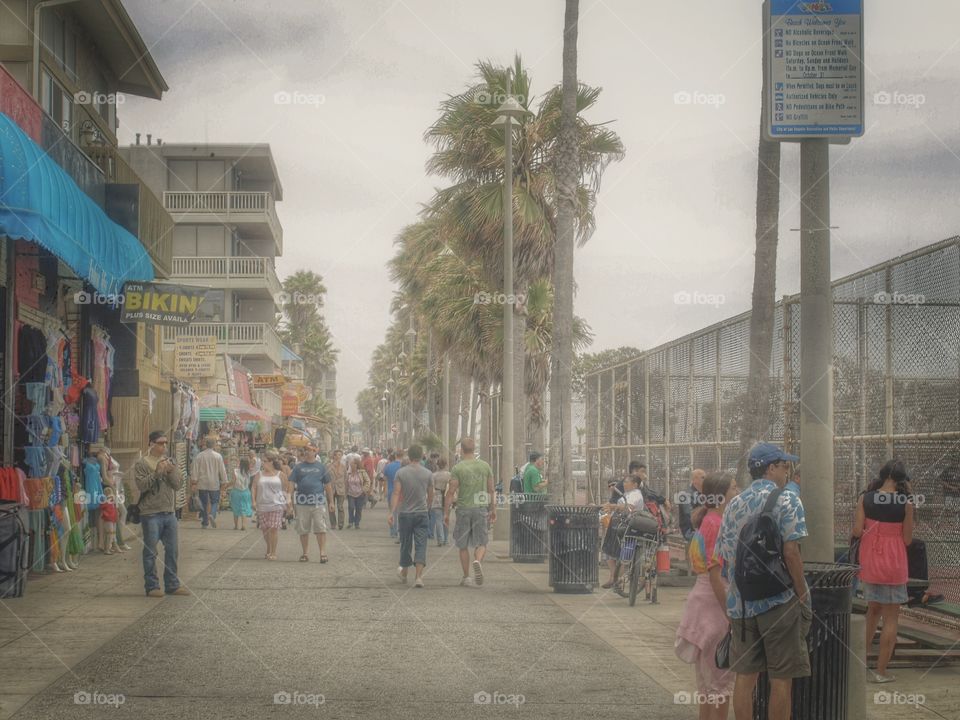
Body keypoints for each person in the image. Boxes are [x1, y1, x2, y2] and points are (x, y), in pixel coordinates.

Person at [716, 442, 811, 720]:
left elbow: (725, 555)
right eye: (784, 465)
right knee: (781, 678)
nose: (786, 471)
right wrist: (801, 591)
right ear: (771, 468)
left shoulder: (734, 503)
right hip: (778, 601)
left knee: (745, 677)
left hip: (741, 604)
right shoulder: (788, 499)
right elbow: (791, 552)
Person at [675, 472, 738, 720]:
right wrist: (730, 613)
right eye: (733, 488)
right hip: (715, 603)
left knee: (706, 683)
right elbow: (715, 573)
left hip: (702, 602)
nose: (737, 491)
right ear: (721, 496)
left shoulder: (707, 521)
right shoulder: (717, 524)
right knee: (721, 680)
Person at [853, 459, 914, 683]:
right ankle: (881, 672)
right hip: (894, 563)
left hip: (871, 562)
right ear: (900, 480)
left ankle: (860, 666)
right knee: (891, 618)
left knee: (872, 613)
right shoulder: (905, 503)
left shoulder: (865, 498)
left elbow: (857, 531)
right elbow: (907, 539)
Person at [135, 431, 189, 596]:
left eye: (165, 443)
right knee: (151, 551)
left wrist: (171, 471)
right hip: (150, 513)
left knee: (172, 550)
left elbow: (178, 485)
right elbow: (142, 486)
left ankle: (172, 584)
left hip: (169, 512)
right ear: (151, 443)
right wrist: (157, 472)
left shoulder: (170, 461)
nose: (164, 446)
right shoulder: (142, 463)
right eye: (160, 443)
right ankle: (152, 586)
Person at [444, 438, 496, 587]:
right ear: (474, 449)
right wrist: (493, 509)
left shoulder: (457, 468)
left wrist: (446, 513)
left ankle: (466, 576)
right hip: (481, 508)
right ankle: (477, 561)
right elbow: (491, 490)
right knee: (482, 542)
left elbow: (451, 492)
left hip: (463, 509)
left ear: (461, 450)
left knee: (463, 545)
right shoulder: (485, 466)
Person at [390, 444, 434, 587]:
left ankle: (404, 573)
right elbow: (431, 494)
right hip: (421, 512)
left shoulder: (401, 473)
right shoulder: (428, 473)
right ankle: (419, 577)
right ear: (421, 456)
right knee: (421, 545)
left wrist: (392, 512)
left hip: (405, 513)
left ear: (409, 457)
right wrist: (428, 507)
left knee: (406, 544)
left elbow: (396, 493)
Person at [600, 473, 645, 589]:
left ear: (634, 484)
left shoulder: (636, 494)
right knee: (609, 552)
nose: (624, 484)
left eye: (626, 482)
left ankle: (617, 578)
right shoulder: (626, 493)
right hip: (617, 523)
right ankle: (613, 577)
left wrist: (613, 506)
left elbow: (629, 507)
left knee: (620, 553)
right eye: (624, 482)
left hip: (626, 526)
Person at [289, 445, 332, 562]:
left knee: (321, 528)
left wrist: (331, 501)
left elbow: (328, 485)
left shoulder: (321, 467)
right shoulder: (298, 467)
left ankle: (322, 553)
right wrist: (289, 498)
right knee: (303, 529)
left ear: (315, 452)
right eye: (306, 450)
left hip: (318, 502)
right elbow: (292, 482)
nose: (307, 452)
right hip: (302, 502)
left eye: (310, 450)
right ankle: (305, 553)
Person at [251, 456, 290, 560]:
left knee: (273, 528)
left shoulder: (280, 474)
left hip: (277, 505)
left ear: (272, 462)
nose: (263, 463)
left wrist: (288, 504)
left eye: (265, 461)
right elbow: (254, 487)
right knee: (265, 529)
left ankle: (273, 552)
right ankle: (269, 547)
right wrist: (253, 501)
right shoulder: (258, 475)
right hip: (262, 505)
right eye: (262, 461)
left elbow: (286, 489)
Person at [191, 438, 228, 529]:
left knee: (203, 503)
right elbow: (222, 470)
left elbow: (195, 470)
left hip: (202, 483)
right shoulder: (218, 456)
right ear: (214, 445)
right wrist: (224, 481)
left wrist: (194, 482)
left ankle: (205, 522)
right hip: (214, 483)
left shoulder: (199, 456)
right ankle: (212, 514)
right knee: (214, 501)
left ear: (205, 445)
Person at [678, 468, 706, 541]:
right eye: (703, 477)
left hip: (698, 530)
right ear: (695, 480)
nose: (706, 480)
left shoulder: (702, 494)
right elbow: (689, 515)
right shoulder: (686, 495)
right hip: (691, 533)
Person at [345, 455, 370, 529]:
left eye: (353, 463)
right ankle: (350, 522)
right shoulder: (348, 473)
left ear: (357, 465)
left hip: (360, 493)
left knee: (359, 509)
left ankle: (357, 523)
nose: (351, 465)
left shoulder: (362, 472)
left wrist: (364, 490)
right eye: (351, 463)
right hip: (350, 493)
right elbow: (345, 482)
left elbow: (367, 481)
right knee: (351, 507)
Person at [429, 458, 451, 546]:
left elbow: (431, 488)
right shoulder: (449, 475)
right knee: (446, 518)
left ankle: (440, 539)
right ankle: (446, 539)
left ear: (437, 465)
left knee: (438, 519)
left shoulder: (433, 475)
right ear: (446, 465)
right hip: (447, 497)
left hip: (437, 496)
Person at [231, 457, 255, 531]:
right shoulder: (249, 472)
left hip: (236, 492)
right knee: (243, 508)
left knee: (235, 508)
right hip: (246, 492)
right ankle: (243, 525)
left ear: (240, 464)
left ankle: (236, 526)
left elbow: (233, 482)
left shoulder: (235, 471)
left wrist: (226, 486)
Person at [383, 451, 403, 540]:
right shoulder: (404, 467)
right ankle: (400, 530)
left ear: (395, 456)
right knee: (401, 513)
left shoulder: (388, 466)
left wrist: (385, 490)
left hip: (391, 491)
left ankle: (393, 531)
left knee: (392, 512)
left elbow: (385, 479)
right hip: (402, 492)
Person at [327, 449, 347, 530]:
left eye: (339, 455)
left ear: (341, 456)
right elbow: (326, 479)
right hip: (330, 489)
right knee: (331, 507)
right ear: (333, 456)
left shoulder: (344, 467)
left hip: (340, 489)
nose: (338, 457)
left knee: (340, 507)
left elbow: (345, 478)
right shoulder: (328, 466)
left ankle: (341, 523)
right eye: (336, 455)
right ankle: (333, 523)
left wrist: (346, 490)